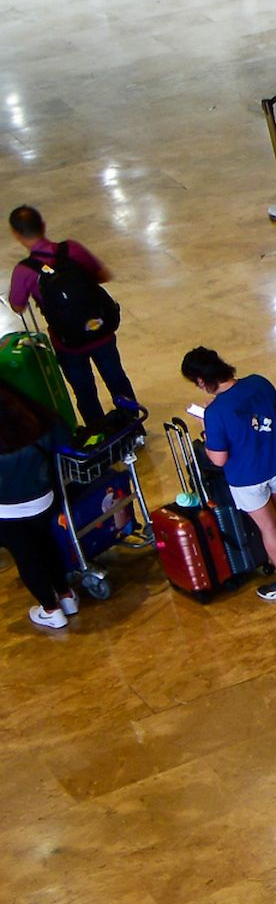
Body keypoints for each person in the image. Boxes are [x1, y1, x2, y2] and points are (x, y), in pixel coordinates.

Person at [181, 347, 276, 601]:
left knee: (268, 526)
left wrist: (207, 430)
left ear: (201, 380)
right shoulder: (258, 382)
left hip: (247, 476)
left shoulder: (215, 412)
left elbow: (218, 458)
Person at [7, 206, 139, 429]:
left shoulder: (24, 271)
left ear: (16, 234)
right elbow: (103, 275)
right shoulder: (71, 249)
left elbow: (17, 306)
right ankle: (134, 427)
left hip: (68, 343)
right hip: (101, 331)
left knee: (84, 390)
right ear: (43, 226)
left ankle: (100, 435)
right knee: (116, 379)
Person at [0, 388, 74, 631]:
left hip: (6, 511)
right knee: (46, 545)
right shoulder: (38, 417)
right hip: (43, 498)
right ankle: (66, 595)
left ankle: (51, 611)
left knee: (26, 557)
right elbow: (65, 441)